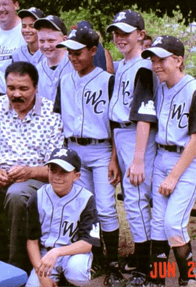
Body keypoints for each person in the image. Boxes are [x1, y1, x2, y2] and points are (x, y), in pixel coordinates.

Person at [0, 61, 64, 273]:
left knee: (17, 196)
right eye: (11, 88)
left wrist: (30, 172)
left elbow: (56, 165)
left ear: (36, 88)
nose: (16, 94)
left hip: (33, 177)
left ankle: (15, 265)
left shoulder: (51, 113)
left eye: (23, 88)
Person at [53, 20, 124, 286]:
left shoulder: (108, 81)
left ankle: (114, 264)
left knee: (105, 208)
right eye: (69, 52)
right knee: (83, 207)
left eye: (78, 52)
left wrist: (115, 158)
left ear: (93, 50)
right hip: (74, 150)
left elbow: (116, 124)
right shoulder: (64, 79)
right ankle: (95, 257)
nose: (72, 57)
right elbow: (60, 122)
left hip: (102, 148)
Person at [140, 36, 196, 287]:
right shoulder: (160, 88)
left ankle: (190, 278)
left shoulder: (195, 90)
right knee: (158, 223)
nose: (155, 64)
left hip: (189, 160)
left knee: (174, 223)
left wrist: (173, 176)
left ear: (179, 60)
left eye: (162, 59)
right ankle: (158, 280)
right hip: (162, 156)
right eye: (153, 59)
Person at [105, 9, 159, 287]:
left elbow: (144, 117)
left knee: (138, 202)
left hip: (139, 138)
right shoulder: (122, 65)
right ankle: (141, 259)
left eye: (126, 32)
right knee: (134, 202)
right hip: (123, 138)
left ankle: (147, 268)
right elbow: (115, 117)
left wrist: (137, 159)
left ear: (141, 34)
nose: (119, 37)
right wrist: (115, 157)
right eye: (116, 32)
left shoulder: (144, 67)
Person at [25, 147, 100, 287]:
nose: (57, 176)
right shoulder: (38, 197)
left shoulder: (86, 199)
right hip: (45, 257)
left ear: (76, 176)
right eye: (53, 170)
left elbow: (87, 243)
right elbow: (32, 241)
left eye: (64, 172)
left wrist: (57, 252)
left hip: (73, 254)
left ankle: (69, 282)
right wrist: (42, 276)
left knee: (77, 272)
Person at [33, 15, 73, 103]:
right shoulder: (37, 70)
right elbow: (37, 103)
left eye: (51, 41)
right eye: (42, 41)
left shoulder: (75, 65)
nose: (46, 46)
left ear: (64, 40)